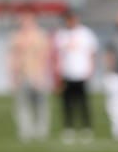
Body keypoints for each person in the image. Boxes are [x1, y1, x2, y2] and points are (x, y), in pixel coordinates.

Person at [52, 8, 99, 144]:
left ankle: (86, 128)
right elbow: (57, 56)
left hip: (81, 73)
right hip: (67, 74)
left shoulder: (86, 33)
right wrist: (57, 74)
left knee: (83, 102)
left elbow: (92, 53)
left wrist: (91, 70)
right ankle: (69, 128)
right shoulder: (61, 35)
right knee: (67, 103)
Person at [8, 8, 52, 142]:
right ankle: (26, 132)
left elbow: (46, 56)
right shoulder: (16, 36)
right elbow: (12, 57)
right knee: (22, 105)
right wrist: (13, 75)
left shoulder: (40, 35)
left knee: (40, 105)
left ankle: (41, 132)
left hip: (38, 74)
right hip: (23, 74)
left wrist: (43, 75)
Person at [104, 10, 118, 141]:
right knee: (115, 103)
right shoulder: (114, 37)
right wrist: (108, 72)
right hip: (117, 74)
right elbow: (109, 56)